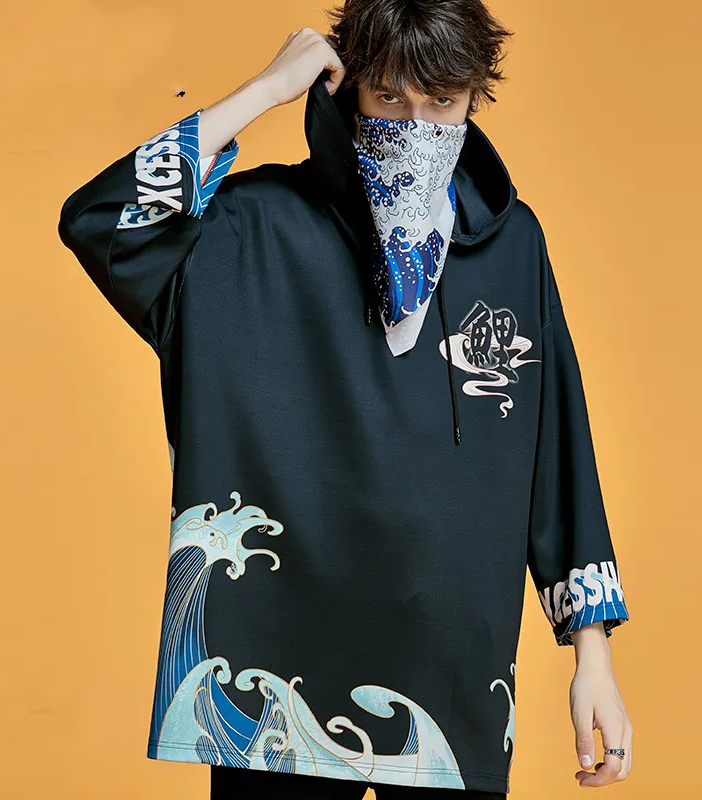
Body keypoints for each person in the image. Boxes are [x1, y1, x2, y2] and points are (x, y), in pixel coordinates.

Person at [57, 1, 633, 797]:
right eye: (389, 96)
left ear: (475, 98)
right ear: (349, 89)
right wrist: (264, 90)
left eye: (443, 102)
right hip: (270, 686)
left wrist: (593, 654)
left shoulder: (512, 245)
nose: (417, 125)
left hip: (448, 681)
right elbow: (101, 220)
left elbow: (557, 444)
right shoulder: (252, 227)